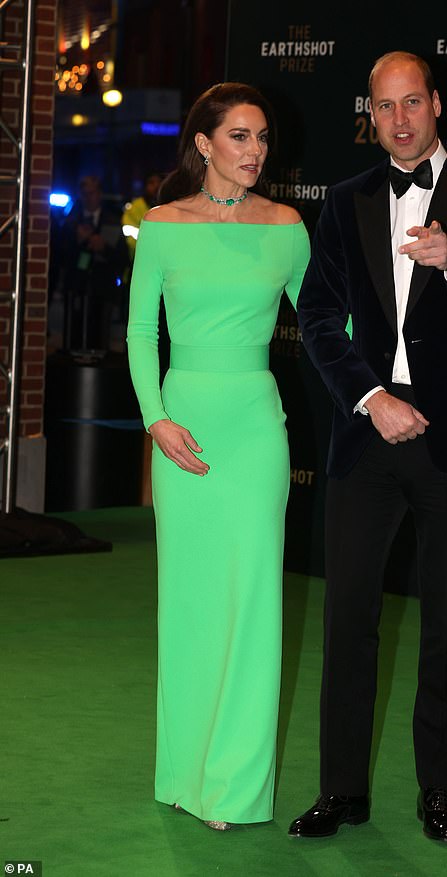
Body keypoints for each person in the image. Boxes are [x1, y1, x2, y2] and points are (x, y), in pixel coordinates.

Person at [288, 51, 447, 842]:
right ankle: (342, 791)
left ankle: (435, 788)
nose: (398, 119)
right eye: (383, 107)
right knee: (349, 616)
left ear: (436, 104)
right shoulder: (345, 200)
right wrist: (370, 396)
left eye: (411, 103)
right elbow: (319, 319)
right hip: (369, 429)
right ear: (369, 113)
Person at [127, 82, 309, 830]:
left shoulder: (289, 226)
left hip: (255, 427)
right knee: (193, 599)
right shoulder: (163, 227)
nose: (255, 151)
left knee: (254, 601)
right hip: (184, 422)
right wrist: (156, 421)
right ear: (203, 144)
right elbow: (140, 334)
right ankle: (183, 769)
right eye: (239, 137)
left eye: (262, 137)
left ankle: (232, 785)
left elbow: (333, 323)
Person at [60, 175, 128, 351]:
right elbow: (59, 254)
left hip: (102, 289)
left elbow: (123, 257)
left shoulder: (112, 220)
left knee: (100, 339)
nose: (88, 197)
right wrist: (78, 240)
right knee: (74, 338)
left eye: (92, 193)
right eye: (85, 193)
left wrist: (103, 248)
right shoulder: (71, 220)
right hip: (77, 288)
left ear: (99, 194)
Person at [121, 171, 162, 262]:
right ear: (145, 186)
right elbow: (131, 238)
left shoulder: (168, 208)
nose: (156, 186)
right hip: (138, 262)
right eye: (151, 183)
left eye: (159, 182)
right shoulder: (134, 208)